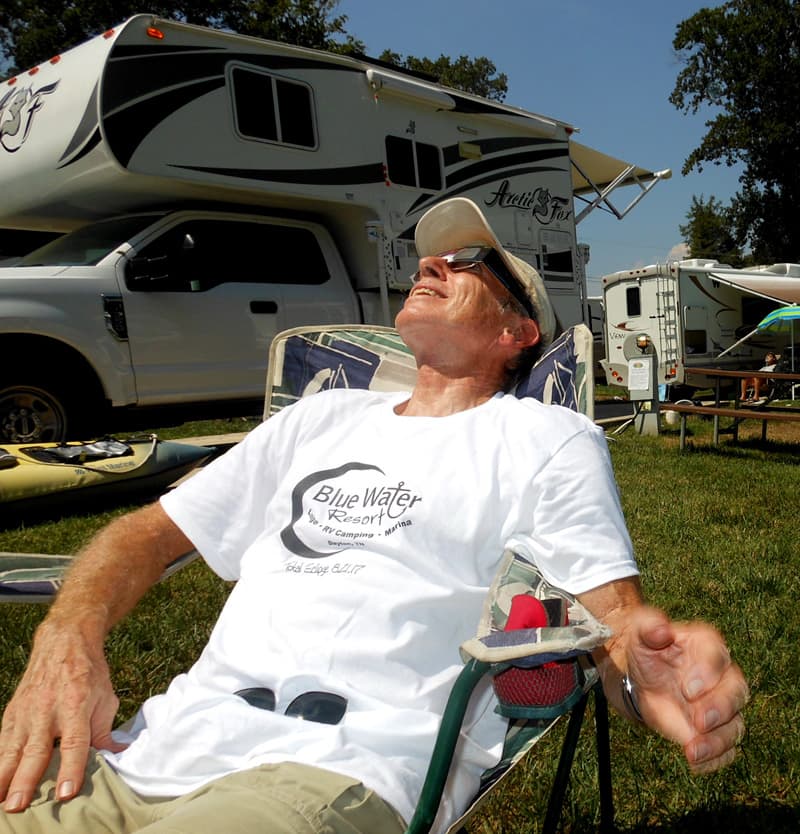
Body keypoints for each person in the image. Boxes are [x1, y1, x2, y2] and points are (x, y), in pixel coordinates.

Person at [0, 198, 748, 834]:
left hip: (331, 772)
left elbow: (612, 619)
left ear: (516, 333)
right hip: (144, 750)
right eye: (427, 258)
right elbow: (147, 533)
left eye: (466, 260)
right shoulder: (320, 417)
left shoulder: (544, 436)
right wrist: (67, 636)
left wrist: (641, 676)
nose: (431, 265)